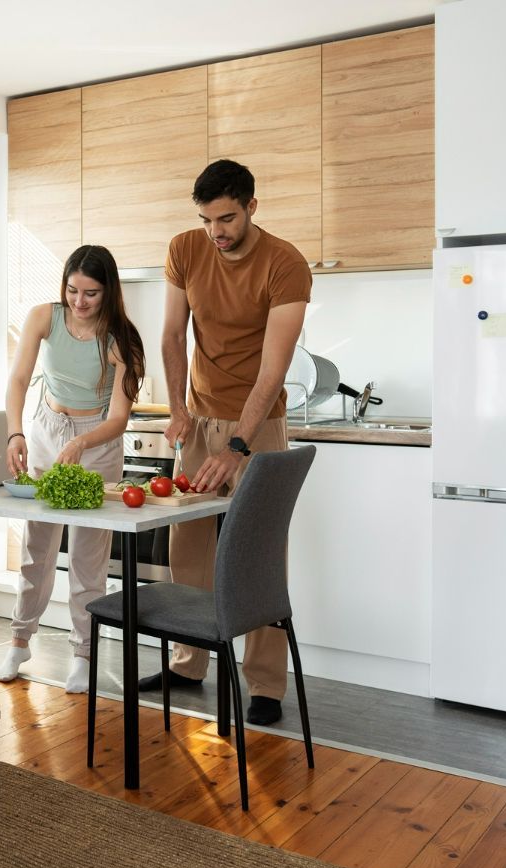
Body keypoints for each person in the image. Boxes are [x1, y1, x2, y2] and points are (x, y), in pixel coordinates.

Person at [147, 158, 311, 725]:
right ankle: (188, 663)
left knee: (257, 552)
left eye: (227, 217)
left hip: (258, 426)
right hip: (198, 418)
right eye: (206, 218)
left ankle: (264, 684)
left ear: (251, 207)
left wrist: (237, 445)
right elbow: (171, 335)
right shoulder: (186, 249)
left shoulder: (285, 263)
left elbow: (275, 366)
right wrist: (177, 409)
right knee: (187, 546)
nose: (216, 230)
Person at [0, 245, 146, 694]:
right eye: (72, 290)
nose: (79, 302)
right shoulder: (44, 316)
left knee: (87, 558)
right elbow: (19, 380)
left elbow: (119, 417)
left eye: (91, 293)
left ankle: (84, 653)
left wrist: (82, 442)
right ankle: (20, 640)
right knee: (36, 547)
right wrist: (15, 433)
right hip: (46, 428)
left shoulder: (123, 338)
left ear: (109, 292)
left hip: (97, 441)